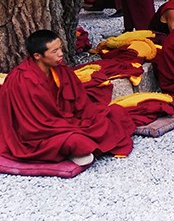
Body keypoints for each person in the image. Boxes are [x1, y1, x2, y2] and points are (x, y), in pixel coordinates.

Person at [0, 30, 136, 165]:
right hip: (41, 133)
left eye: (60, 48)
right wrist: (69, 126)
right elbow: (32, 126)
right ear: (37, 56)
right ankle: (77, 148)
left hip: (66, 120)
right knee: (76, 141)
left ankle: (83, 147)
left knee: (116, 112)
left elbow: (80, 101)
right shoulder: (23, 80)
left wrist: (81, 119)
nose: (60, 54)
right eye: (54, 51)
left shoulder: (59, 67)